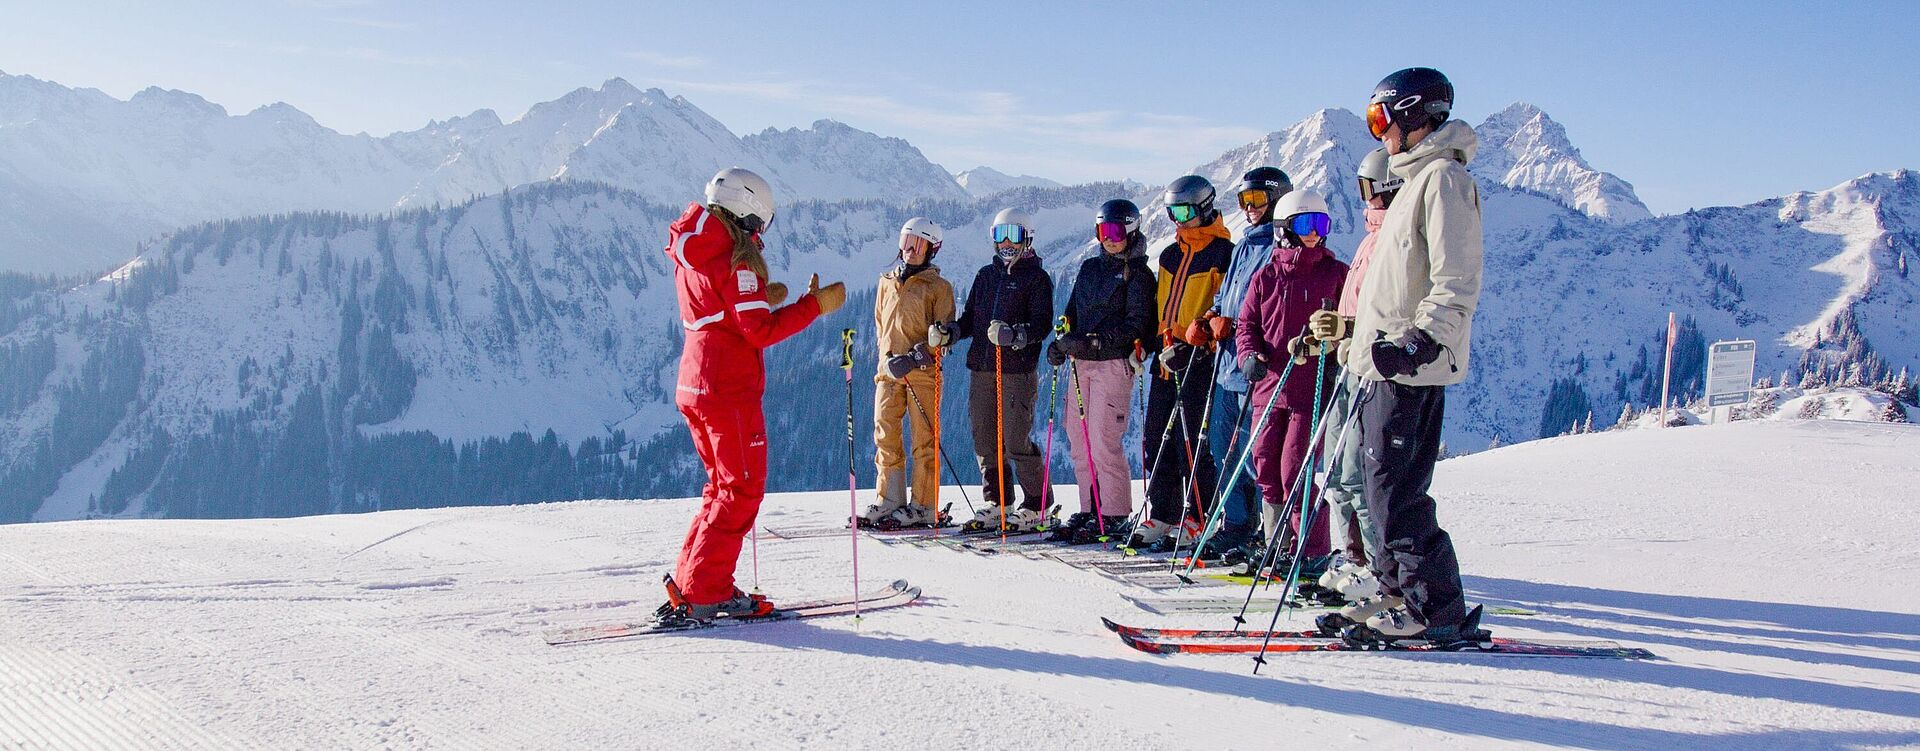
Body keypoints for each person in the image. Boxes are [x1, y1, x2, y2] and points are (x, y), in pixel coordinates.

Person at [1333, 67, 1488, 645]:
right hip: (1381, 365)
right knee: (1379, 487)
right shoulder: (1414, 182)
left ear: (1412, 113)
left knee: (1397, 491)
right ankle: (1398, 594)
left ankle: (1436, 608)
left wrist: (1419, 342)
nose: (1378, 133)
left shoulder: (1444, 180)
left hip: (1408, 367)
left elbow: (1457, 280)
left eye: (1380, 118)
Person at [659, 167, 846, 621]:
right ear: (748, 212)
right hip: (727, 389)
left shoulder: (701, 251)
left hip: (696, 383)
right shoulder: (737, 259)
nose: (761, 232)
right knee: (741, 489)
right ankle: (707, 590)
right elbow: (757, 330)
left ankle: (693, 581)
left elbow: (725, 308)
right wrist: (813, 306)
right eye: (762, 222)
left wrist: (765, 294)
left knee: (720, 487)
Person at [1233, 189, 1349, 570]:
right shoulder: (1266, 276)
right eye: (1306, 225)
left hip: (1308, 390)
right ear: (1285, 230)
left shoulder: (1335, 274)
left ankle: (1312, 550)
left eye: (1321, 224)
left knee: (1294, 469)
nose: (1315, 233)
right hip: (1269, 386)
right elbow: (1247, 324)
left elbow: (1349, 325)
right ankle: (1277, 542)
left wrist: (1325, 344)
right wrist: (1249, 355)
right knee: (1264, 464)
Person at [1309, 148, 1401, 596]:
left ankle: (1372, 565)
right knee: (1338, 473)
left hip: (1370, 368)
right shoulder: (1370, 240)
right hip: (1348, 363)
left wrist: (1347, 329)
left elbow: (1387, 312)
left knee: (1357, 476)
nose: (1365, 201)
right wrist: (1331, 334)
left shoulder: (1394, 241)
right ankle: (1352, 556)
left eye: (1369, 190)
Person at [929, 208, 1055, 532]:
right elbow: (971, 318)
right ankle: (998, 502)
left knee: (1015, 439)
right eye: (1000, 236)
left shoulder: (1036, 279)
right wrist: (952, 332)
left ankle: (1037, 505)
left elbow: (1042, 325)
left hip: (1017, 370)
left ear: (1027, 238)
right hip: (983, 367)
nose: (1006, 244)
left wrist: (1015, 336)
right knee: (984, 438)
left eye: (1013, 235)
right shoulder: (986, 276)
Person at [1191, 166, 1292, 561]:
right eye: (1244, 201)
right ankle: (1235, 524)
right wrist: (1209, 318)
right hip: (1227, 367)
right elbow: (1226, 297)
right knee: (1222, 450)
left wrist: (1233, 325)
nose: (1249, 209)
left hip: (1256, 369)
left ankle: (1269, 532)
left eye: (1257, 201)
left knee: (1258, 456)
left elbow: (1271, 307)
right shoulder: (1244, 247)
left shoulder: (1277, 248)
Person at [1046, 199, 1157, 543]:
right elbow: (1071, 314)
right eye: (1102, 231)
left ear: (1131, 230)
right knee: (1078, 439)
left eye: (1116, 231)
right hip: (1081, 366)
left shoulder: (1138, 274)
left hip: (1112, 364)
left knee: (1103, 438)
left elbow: (1138, 325)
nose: (1109, 238)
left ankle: (1114, 512)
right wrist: (1061, 342)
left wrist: (1092, 343)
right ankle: (1090, 507)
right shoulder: (1089, 269)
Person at [1131, 176, 1232, 550]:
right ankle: (1164, 513)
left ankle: (1199, 516)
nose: (1178, 219)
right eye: (1172, 211)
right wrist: (1147, 341)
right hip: (1164, 359)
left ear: (1205, 208)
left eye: (1185, 211)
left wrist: (1197, 340)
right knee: (1157, 436)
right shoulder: (1169, 255)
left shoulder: (1223, 253)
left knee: (1193, 441)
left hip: (1198, 361)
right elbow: (1161, 305)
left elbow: (1221, 305)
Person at [859, 217, 956, 529]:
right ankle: (890, 498)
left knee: (924, 440)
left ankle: (924, 505)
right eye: (906, 243)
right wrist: (886, 357)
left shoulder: (938, 287)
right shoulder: (886, 281)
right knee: (884, 432)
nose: (911, 250)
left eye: (918, 245)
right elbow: (879, 323)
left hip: (923, 374)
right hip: (888, 371)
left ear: (932, 250)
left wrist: (921, 355)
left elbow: (944, 334)